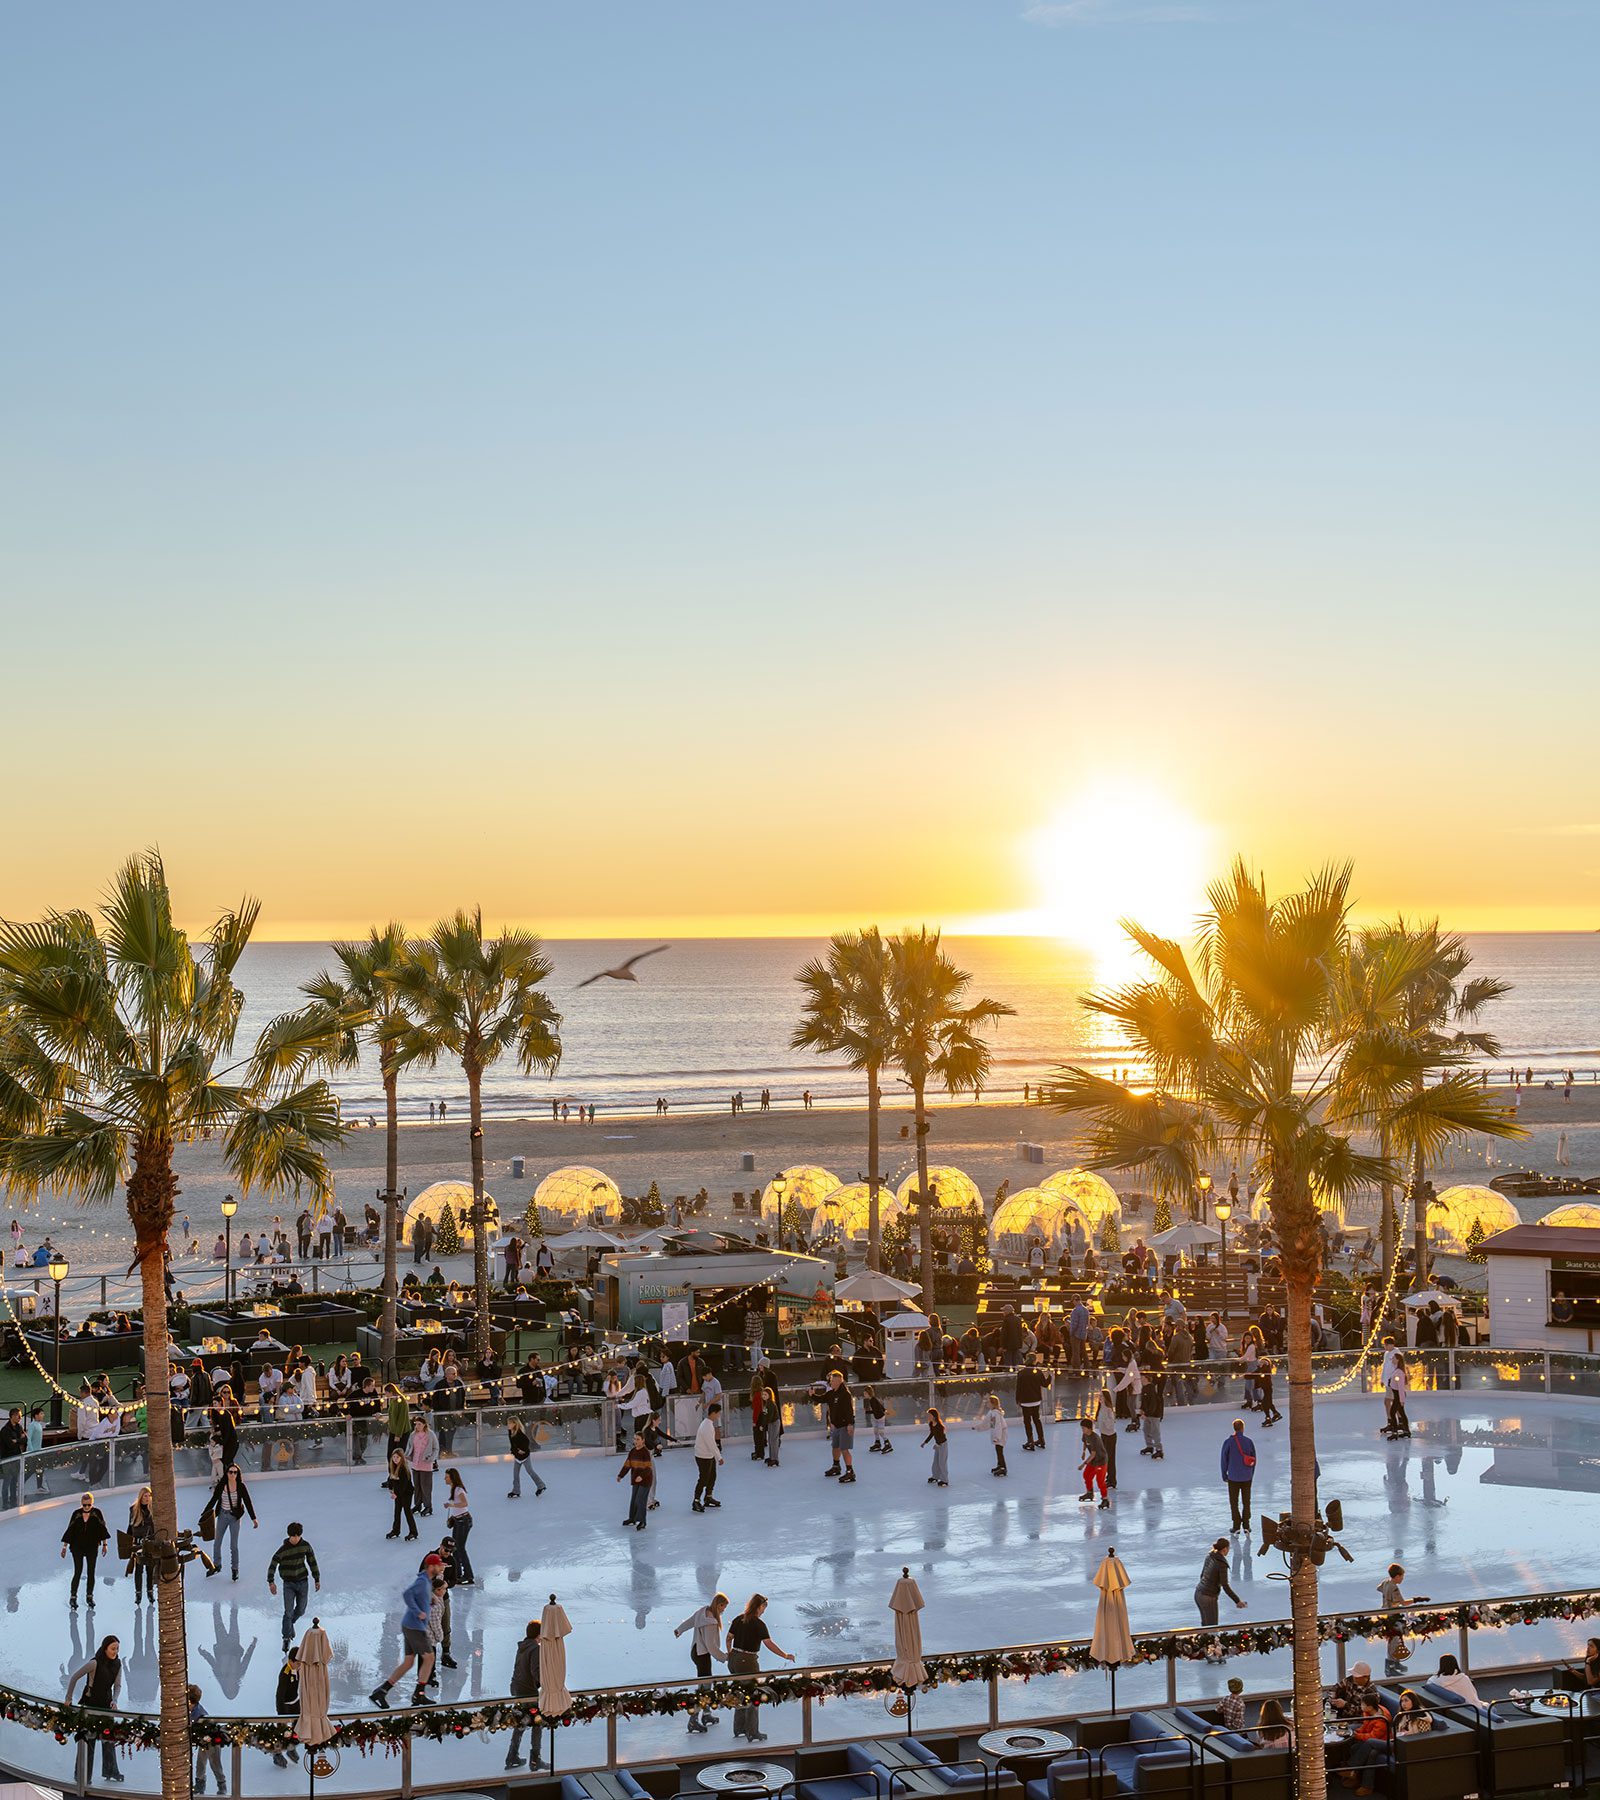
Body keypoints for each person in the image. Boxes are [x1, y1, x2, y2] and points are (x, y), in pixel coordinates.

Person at [369, 1555, 443, 1708]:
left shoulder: (426, 1581)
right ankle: (419, 1694)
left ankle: (381, 1691)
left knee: (408, 1663)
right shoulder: (423, 1581)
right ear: (430, 1567)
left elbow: (419, 1595)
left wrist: (429, 1600)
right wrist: (418, 1612)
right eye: (437, 1565)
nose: (439, 1567)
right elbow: (407, 1594)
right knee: (429, 1658)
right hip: (415, 1627)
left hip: (410, 1626)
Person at [728, 1592, 795, 1741]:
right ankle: (752, 1731)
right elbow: (768, 1643)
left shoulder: (738, 1619)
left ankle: (739, 1727)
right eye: (764, 1607)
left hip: (734, 1660)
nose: (764, 1610)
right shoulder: (758, 1624)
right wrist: (785, 1655)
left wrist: (730, 1654)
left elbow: (728, 1638)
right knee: (753, 1695)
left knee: (739, 1691)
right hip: (748, 1660)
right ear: (759, 1606)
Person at [65, 1635, 125, 1782]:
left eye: (117, 1648)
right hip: (91, 1704)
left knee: (109, 1739)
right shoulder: (95, 1663)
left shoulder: (118, 1664)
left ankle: (111, 1771)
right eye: (112, 1648)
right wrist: (68, 1698)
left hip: (106, 1705)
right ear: (105, 1648)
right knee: (88, 1740)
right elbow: (74, 1677)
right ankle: (82, 1774)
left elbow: (117, 1686)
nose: (115, 1651)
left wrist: (114, 1700)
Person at [674, 1592, 729, 1734]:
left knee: (705, 1685)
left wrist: (679, 1630)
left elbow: (690, 1621)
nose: (723, 1610)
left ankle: (706, 1715)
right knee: (705, 1688)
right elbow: (711, 1646)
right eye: (723, 1607)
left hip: (696, 1651)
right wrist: (724, 1657)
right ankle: (694, 1720)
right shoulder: (710, 1621)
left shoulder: (702, 1612)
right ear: (719, 1605)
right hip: (702, 1655)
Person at [266, 1522, 320, 1650]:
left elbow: (312, 1561)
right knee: (288, 1611)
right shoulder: (283, 1550)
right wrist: (271, 1582)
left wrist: (316, 1578)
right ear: (289, 1536)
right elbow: (273, 1564)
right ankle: (286, 1637)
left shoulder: (305, 1546)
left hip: (303, 1582)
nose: (295, 1539)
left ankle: (289, 1625)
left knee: (301, 1609)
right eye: (293, 1537)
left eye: (297, 1536)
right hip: (288, 1584)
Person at [205, 1463, 258, 1581]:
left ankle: (235, 1569)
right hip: (222, 1516)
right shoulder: (222, 1485)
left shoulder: (241, 1486)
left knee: (233, 1546)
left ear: (238, 1474)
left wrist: (253, 1518)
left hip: (235, 1518)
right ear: (227, 1473)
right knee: (217, 1542)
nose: (233, 1474)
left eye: (235, 1472)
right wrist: (205, 1513)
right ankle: (217, 1565)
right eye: (230, 1472)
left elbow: (248, 1502)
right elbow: (213, 1500)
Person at [60, 1490, 111, 1610]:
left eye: (89, 1505)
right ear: (81, 1504)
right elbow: (70, 1530)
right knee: (78, 1571)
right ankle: (73, 1597)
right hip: (77, 1546)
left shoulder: (97, 1513)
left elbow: (102, 1529)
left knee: (91, 1571)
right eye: (84, 1505)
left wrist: (105, 1544)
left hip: (92, 1546)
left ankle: (89, 1596)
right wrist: (64, 1547)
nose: (87, 1507)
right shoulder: (76, 1514)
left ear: (92, 1503)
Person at [504, 1619, 544, 1770]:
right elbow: (535, 1671)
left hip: (516, 1687)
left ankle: (512, 1756)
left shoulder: (522, 1647)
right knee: (537, 1722)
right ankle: (535, 1759)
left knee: (521, 1721)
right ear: (539, 1634)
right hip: (527, 1691)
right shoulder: (535, 1648)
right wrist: (546, 1684)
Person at [1341, 1692, 1393, 1795]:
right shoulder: (1369, 1712)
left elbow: (1373, 1737)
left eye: (1362, 1705)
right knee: (1355, 1746)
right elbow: (1365, 1726)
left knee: (1372, 1753)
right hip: (1374, 1739)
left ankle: (1364, 1783)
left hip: (1383, 1742)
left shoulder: (1381, 1721)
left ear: (1369, 1707)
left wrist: (1357, 1735)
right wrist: (1357, 1732)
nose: (1361, 1706)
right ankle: (1355, 1776)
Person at [1195, 1537, 1247, 1625]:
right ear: (1225, 1549)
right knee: (1212, 1627)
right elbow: (1225, 1585)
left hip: (1198, 1593)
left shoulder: (1210, 1556)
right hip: (1208, 1598)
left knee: (1205, 1625)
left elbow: (1202, 1575)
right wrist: (1237, 1601)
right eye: (1228, 1549)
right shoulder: (1221, 1564)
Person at [1221, 1419, 1257, 1534]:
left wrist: (1224, 1474)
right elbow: (1253, 1459)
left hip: (1233, 1477)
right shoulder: (1249, 1442)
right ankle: (1246, 1525)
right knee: (1246, 1501)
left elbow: (1223, 1459)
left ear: (1234, 1428)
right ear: (1243, 1428)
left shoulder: (1228, 1442)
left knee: (1234, 1501)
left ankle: (1236, 1526)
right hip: (1246, 1477)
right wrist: (1251, 1474)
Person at [189, 1684, 227, 1795]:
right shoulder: (191, 1710)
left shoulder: (199, 1713)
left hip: (211, 1741)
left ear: (193, 1702)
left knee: (215, 1763)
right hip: (202, 1742)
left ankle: (222, 1785)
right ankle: (200, 1785)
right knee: (200, 1763)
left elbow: (207, 1729)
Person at [823, 1369, 856, 1483]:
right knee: (835, 1447)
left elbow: (849, 1411)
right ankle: (836, 1466)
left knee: (844, 1449)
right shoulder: (832, 1393)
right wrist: (812, 1395)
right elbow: (822, 1398)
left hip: (845, 1425)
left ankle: (850, 1472)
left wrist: (850, 1424)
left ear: (838, 1381)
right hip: (836, 1425)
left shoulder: (845, 1394)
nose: (830, 1382)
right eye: (830, 1380)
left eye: (832, 1380)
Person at [125, 1486, 156, 1605]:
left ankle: (150, 1592)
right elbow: (130, 1526)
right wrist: (128, 1542)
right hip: (138, 1543)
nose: (147, 1498)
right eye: (145, 1496)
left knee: (150, 1569)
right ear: (141, 1496)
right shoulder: (134, 1509)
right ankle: (138, 1594)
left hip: (150, 1543)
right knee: (138, 1570)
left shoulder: (153, 1508)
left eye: (149, 1496)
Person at [618, 1430, 656, 1529]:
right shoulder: (633, 1451)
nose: (635, 1441)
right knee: (634, 1499)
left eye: (638, 1439)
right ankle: (632, 1518)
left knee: (640, 1500)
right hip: (635, 1480)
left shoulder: (645, 1453)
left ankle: (643, 1522)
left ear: (643, 1441)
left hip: (645, 1480)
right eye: (634, 1439)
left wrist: (641, 1476)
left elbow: (648, 1468)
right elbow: (627, 1465)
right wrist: (620, 1475)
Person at [443, 1468, 474, 1584]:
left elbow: (465, 1503)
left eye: (446, 1477)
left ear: (452, 1477)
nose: (445, 1479)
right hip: (459, 1521)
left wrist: (451, 1504)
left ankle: (468, 1575)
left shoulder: (458, 1489)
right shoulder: (454, 1488)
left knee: (460, 1548)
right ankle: (458, 1573)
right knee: (455, 1548)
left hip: (463, 1522)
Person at [693, 1402, 723, 1513]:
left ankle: (708, 1497)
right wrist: (719, 1457)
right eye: (718, 1413)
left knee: (712, 1476)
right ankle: (696, 1500)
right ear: (713, 1413)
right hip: (703, 1456)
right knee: (704, 1479)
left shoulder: (709, 1424)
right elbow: (711, 1443)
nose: (719, 1416)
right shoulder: (706, 1426)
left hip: (708, 1455)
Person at [408, 1411, 440, 1516]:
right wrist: (408, 1455)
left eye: (419, 1424)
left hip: (426, 1465)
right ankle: (417, 1505)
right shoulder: (413, 1435)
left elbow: (436, 1448)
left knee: (426, 1487)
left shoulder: (430, 1434)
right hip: (415, 1464)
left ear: (424, 1424)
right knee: (417, 1486)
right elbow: (410, 1447)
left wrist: (431, 1459)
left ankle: (428, 1506)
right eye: (416, 1424)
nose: (417, 1426)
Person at [506, 1416, 547, 1498]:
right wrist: (513, 1450)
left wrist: (523, 1450)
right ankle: (516, 1491)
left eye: (510, 1423)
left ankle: (541, 1485)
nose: (508, 1425)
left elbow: (526, 1442)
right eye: (508, 1423)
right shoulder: (510, 1432)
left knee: (530, 1471)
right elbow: (513, 1444)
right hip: (517, 1456)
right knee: (515, 1474)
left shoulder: (520, 1433)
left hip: (525, 1456)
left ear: (515, 1424)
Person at [384, 1446, 419, 1540]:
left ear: (402, 1458)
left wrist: (395, 1494)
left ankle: (413, 1532)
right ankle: (396, 1530)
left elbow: (403, 1486)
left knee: (407, 1512)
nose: (395, 1459)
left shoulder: (403, 1469)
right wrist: (391, 1488)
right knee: (397, 1512)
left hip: (406, 1493)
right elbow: (391, 1479)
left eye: (397, 1457)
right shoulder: (392, 1467)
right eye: (394, 1457)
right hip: (398, 1493)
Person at [1016, 1354, 1049, 1451]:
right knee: (1037, 1420)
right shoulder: (1038, 1372)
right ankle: (1041, 1439)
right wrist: (1050, 1377)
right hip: (1036, 1400)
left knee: (1027, 1421)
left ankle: (1030, 1441)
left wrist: (1017, 1399)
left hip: (1025, 1401)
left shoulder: (1021, 1373)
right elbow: (1045, 1384)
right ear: (1034, 1361)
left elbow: (1019, 1388)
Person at [1079, 1418, 1110, 1509]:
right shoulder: (1085, 1435)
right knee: (1086, 1475)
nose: (1082, 1430)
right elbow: (1085, 1442)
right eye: (1082, 1428)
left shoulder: (1095, 1438)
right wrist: (1084, 1452)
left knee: (1100, 1481)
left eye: (1083, 1428)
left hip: (1100, 1461)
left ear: (1089, 1428)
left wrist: (1083, 1464)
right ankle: (1089, 1493)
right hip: (1093, 1461)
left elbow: (1093, 1454)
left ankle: (1105, 1499)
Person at [979, 1392, 1009, 1476]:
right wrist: (979, 1427)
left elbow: (997, 1426)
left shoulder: (995, 1414)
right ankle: (1000, 1465)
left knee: (999, 1450)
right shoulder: (992, 1412)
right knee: (998, 1450)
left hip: (1000, 1434)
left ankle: (1003, 1467)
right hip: (998, 1434)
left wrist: (997, 1437)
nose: (987, 1404)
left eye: (988, 1402)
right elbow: (989, 1424)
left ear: (993, 1403)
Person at [921, 1407, 949, 1486]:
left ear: (933, 1416)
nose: (928, 1417)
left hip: (943, 1445)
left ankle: (945, 1480)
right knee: (935, 1462)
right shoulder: (931, 1424)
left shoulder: (939, 1426)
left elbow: (941, 1437)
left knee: (942, 1463)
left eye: (929, 1415)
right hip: (938, 1444)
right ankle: (935, 1476)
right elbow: (932, 1434)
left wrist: (938, 1444)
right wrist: (925, 1442)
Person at [863, 1385, 892, 1453]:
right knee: (875, 1431)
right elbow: (880, 1405)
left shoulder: (873, 1400)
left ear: (869, 1393)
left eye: (865, 1393)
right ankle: (877, 1443)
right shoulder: (872, 1399)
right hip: (876, 1417)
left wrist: (867, 1412)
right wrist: (885, 1410)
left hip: (880, 1417)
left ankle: (888, 1444)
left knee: (881, 1432)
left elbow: (876, 1410)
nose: (864, 1395)